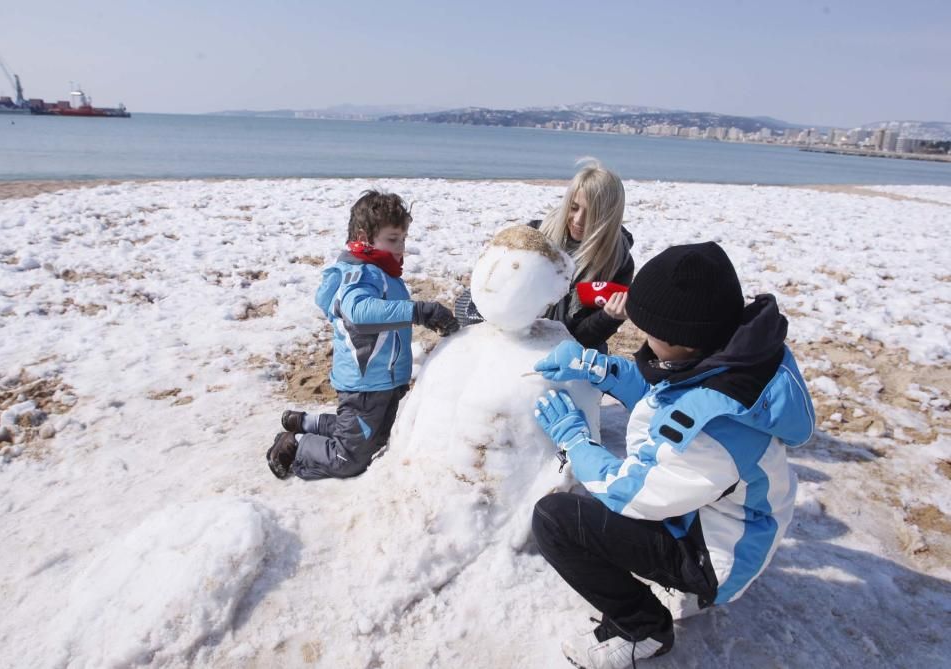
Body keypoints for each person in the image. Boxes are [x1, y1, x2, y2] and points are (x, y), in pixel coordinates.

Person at [530, 241, 815, 669]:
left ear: (682, 343)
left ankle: (642, 628)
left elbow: (630, 493)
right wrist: (599, 367)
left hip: (716, 556)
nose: (643, 340)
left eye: (650, 333)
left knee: (555, 520)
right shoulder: (729, 360)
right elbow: (665, 392)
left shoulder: (711, 431)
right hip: (725, 518)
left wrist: (575, 440)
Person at [268, 190, 459, 481]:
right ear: (363, 237)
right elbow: (358, 311)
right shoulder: (360, 274)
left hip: (385, 381)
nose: (401, 248)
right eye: (393, 239)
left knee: (376, 439)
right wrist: (419, 311)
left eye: (404, 240)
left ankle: (305, 421)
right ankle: (295, 444)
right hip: (364, 385)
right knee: (349, 459)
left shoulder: (381, 272)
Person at [455, 159, 634, 351]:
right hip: (519, 341)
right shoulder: (535, 236)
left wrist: (607, 318)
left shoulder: (616, 263)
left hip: (571, 353)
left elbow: (583, 340)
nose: (579, 220)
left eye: (592, 214)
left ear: (608, 217)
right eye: (574, 208)